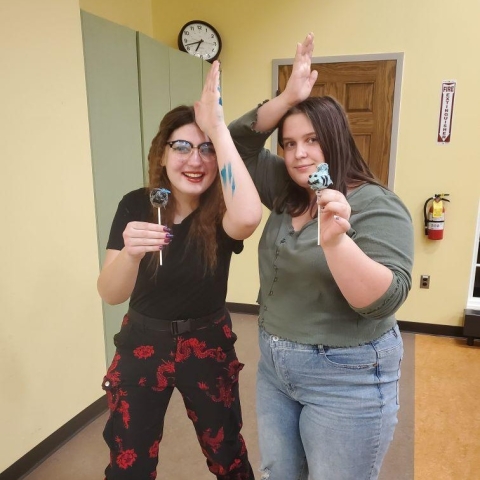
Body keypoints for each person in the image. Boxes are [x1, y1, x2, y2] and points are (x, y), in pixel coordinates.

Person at [228, 34, 414, 480]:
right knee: (279, 473)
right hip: (275, 367)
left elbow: (384, 301)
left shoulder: (376, 204)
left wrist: (335, 242)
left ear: (335, 140)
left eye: (311, 140)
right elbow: (236, 142)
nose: (299, 153)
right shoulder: (284, 190)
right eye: (289, 143)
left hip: (346, 375)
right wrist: (290, 95)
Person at [97, 61, 262, 480]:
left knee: (226, 452)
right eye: (182, 147)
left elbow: (249, 217)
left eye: (206, 149)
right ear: (162, 154)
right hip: (142, 342)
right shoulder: (137, 205)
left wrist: (218, 128)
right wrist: (131, 255)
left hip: (207, 343)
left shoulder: (222, 205)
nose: (196, 159)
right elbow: (111, 293)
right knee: (128, 460)